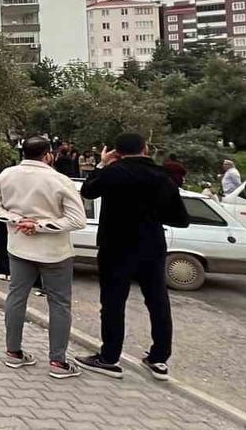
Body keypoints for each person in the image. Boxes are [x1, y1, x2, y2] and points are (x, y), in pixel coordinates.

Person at [76, 132, 190, 382]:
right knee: (157, 301)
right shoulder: (163, 177)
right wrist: (152, 217)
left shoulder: (113, 173)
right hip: (151, 246)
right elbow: (181, 219)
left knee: (114, 302)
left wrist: (102, 164)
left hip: (116, 247)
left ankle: (109, 357)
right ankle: (159, 359)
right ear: (145, 148)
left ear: (116, 152)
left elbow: (88, 190)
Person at [0, 137, 87, 379]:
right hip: (55, 253)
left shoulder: (6, 175)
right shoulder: (60, 180)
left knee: (16, 297)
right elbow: (77, 220)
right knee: (60, 304)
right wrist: (40, 225)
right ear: (48, 155)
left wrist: (16, 220)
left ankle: (13, 352)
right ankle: (58, 362)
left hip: (19, 247)